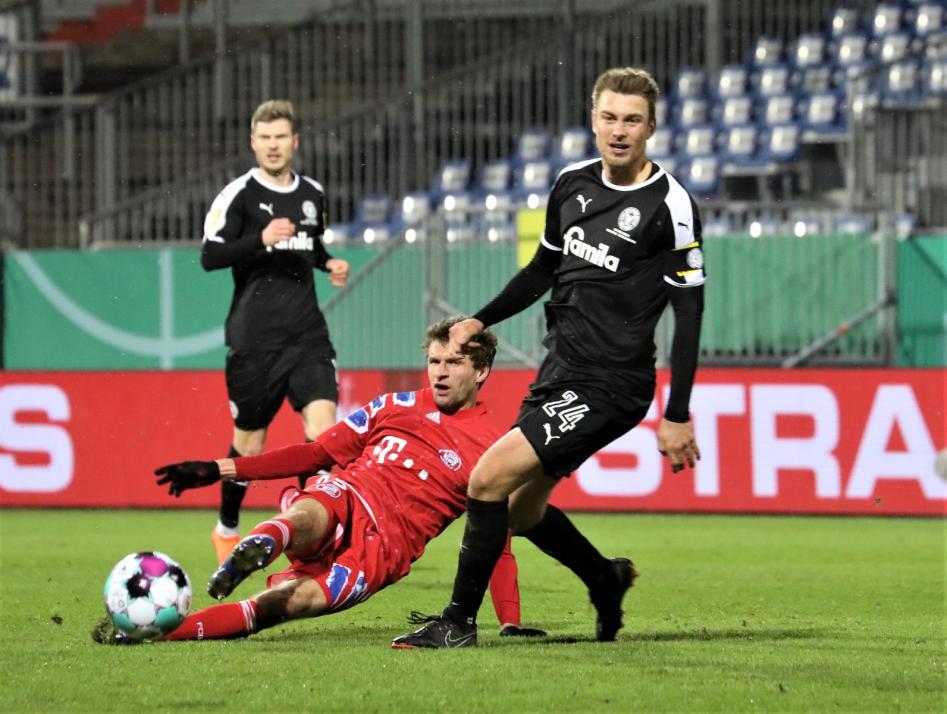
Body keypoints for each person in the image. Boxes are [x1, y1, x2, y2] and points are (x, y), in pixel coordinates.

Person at [392, 67, 706, 649]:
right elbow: (542, 269)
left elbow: (689, 313)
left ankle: (458, 624)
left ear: (652, 127)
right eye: (609, 117)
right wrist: (480, 318)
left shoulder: (671, 205)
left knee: (486, 479)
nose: (619, 130)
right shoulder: (570, 185)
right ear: (593, 121)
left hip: (612, 383)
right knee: (516, 510)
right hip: (561, 370)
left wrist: (678, 411)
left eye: (632, 120)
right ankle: (603, 577)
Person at [93, 318, 544, 644]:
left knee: (289, 604)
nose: (440, 372)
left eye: (454, 363)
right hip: (352, 494)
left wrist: (510, 620)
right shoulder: (394, 405)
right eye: (434, 361)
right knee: (314, 507)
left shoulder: (493, 447)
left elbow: (494, 539)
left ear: (482, 371)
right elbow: (314, 454)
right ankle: (265, 542)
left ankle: (157, 634)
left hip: (382, 552)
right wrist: (218, 468)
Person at [200, 99, 350, 564]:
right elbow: (210, 256)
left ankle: (308, 532)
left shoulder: (312, 193)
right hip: (254, 339)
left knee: (323, 435)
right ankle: (226, 528)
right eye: (265, 138)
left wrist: (329, 263)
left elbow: (311, 244)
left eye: (280, 137)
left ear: (294, 142)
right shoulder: (238, 195)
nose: (273, 145)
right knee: (250, 442)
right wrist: (259, 240)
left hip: (307, 334)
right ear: (253, 143)